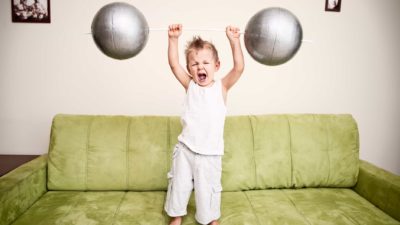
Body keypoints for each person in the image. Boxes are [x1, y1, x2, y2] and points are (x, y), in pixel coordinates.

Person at [164, 24, 244, 225]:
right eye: (194, 64)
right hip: (186, 150)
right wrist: (173, 39)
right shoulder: (190, 85)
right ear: (190, 68)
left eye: (206, 63)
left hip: (210, 154)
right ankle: (176, 215)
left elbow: (239, 68)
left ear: (216, 66)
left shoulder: (222, 87)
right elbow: (174, 64)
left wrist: (234, 41)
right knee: (179, 185)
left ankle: (209, 218)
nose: (200, 67)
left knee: (207, 188)